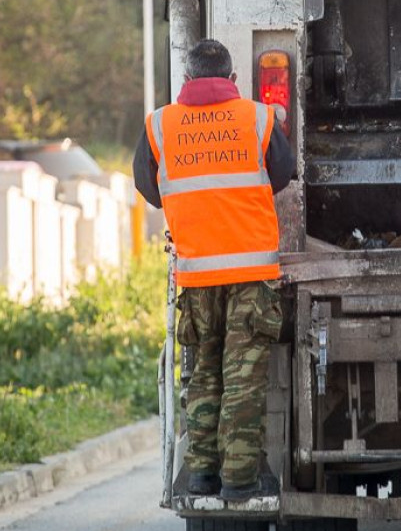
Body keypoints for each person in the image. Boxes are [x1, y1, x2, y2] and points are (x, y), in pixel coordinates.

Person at [133, 38, 295, 502]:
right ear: (232, 80)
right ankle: (241, 478)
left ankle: (201, 474)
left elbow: (149, 185)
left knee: (203, 373)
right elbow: (281, 174)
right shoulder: (257, 118)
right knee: (242, 377)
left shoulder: (160, 125)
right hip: (250, 272)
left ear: (186, 80)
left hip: (197, 273)